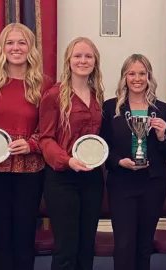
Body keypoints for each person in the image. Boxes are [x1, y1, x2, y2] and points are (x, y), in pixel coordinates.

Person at [0, 23, 54, 270]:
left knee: (24, 235)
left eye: (22, 42)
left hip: (30, 171)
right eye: (10, 42)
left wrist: (32, 144)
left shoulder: (44, 83)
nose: (16, 48)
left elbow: (49, 126)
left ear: (31, 48)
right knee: (1, 233)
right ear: (2, 47)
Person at [100, 54, 166, 270]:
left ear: (149, 76)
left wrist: (162, 136)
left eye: (142, 73)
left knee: (144, 244)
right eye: (131, 73)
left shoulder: (162, 110)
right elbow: (103, 148)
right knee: (124, 244)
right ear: (124, 77)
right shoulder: (110, 108)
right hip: (122, 184)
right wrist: (119, 162)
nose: (137, 78)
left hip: (153, 184)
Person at [39, 37, 105, 270]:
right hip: (62, 179)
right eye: (77, 56)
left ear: (95, 61)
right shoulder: (53, 96)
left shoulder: (98, 96)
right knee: (66, 248)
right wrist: (68, 161)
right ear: (68, 61)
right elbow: (45, 138)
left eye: (88, 56)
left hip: (92, 178)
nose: (83, 60)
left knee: (87, 246)